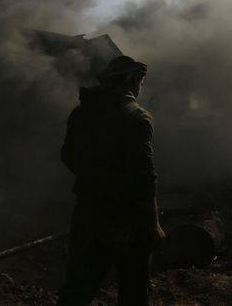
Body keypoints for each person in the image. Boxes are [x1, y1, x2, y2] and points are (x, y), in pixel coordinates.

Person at [57, 55, 165, 306]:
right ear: (130, 80)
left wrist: (94, 178)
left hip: (87, 213)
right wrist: (153, 223)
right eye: (141, 81)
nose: (141, 87)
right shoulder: (137, 118)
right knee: (133, 292)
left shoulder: (82, 112)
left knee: (76, 290)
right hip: (127, 221)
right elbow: (145, 178)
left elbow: (67, 155)